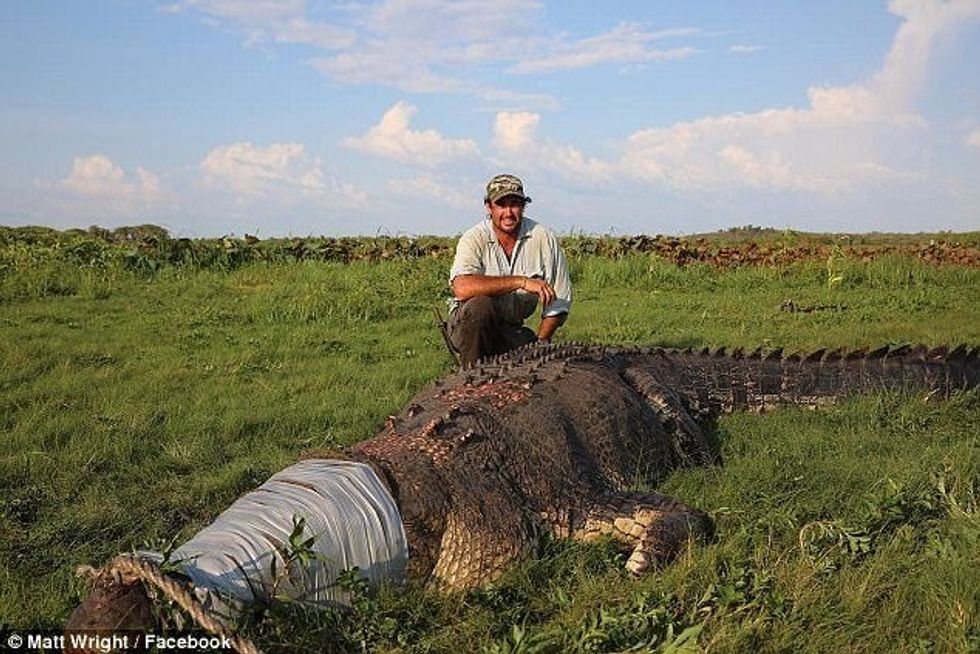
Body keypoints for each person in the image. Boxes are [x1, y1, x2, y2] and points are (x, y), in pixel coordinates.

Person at [447, 174, 572, 367]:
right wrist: (521, 281)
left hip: (510, 329)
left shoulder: (543, 238)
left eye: (515, 204)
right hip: (468, 326)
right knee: (480, 306)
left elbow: (560, 300)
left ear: (523, 206)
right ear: (489, 207)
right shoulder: (474, 238)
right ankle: (470, 378)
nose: (509, 212)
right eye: (501, 205)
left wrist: (541, 341)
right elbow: (462, 288)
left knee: (532, 358)